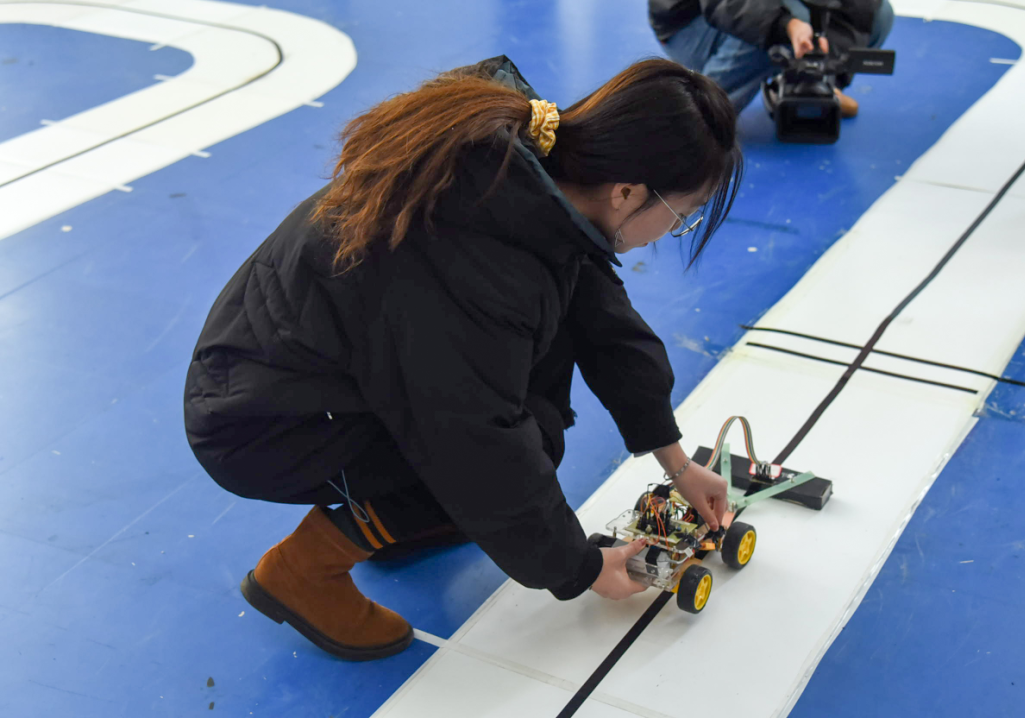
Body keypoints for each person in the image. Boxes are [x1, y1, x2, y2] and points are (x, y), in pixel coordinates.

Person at [183, 56, 742, 661]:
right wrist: (581, 568)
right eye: (681, 216)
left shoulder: (535, 173)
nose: (673, 230)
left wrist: (676, 463)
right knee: (520, 444)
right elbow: (479, 444)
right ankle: (302, 571)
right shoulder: (473, 257)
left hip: (312, 365)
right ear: (627, 191)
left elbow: (607, 324)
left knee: (526, 415)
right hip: (266, 419)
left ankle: (392, 518)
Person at [649, 0, 894, 117]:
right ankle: (702, 109)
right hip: (689, 21)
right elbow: (723, 5)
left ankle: (811, 86)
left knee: (879, 14)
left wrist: (828, 64)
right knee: (773, 31)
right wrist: (786, 25)